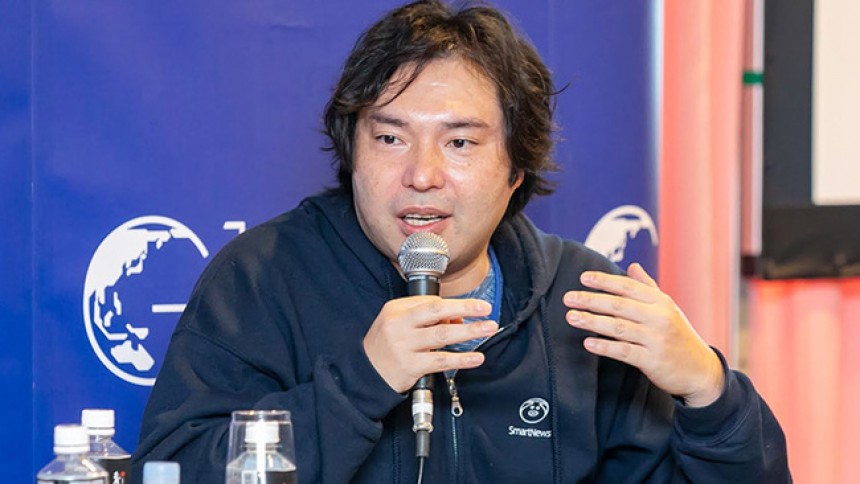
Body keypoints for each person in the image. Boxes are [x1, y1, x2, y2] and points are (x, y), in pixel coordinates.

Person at [132, 1, 790, 482]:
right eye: (390, 137)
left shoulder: (582, 302)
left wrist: (709, 390)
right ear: (351, 153)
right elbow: (172, 469)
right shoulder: (262, 279)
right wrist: (360, 386)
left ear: (515, 170)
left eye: (460, 143)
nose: (421, 174)